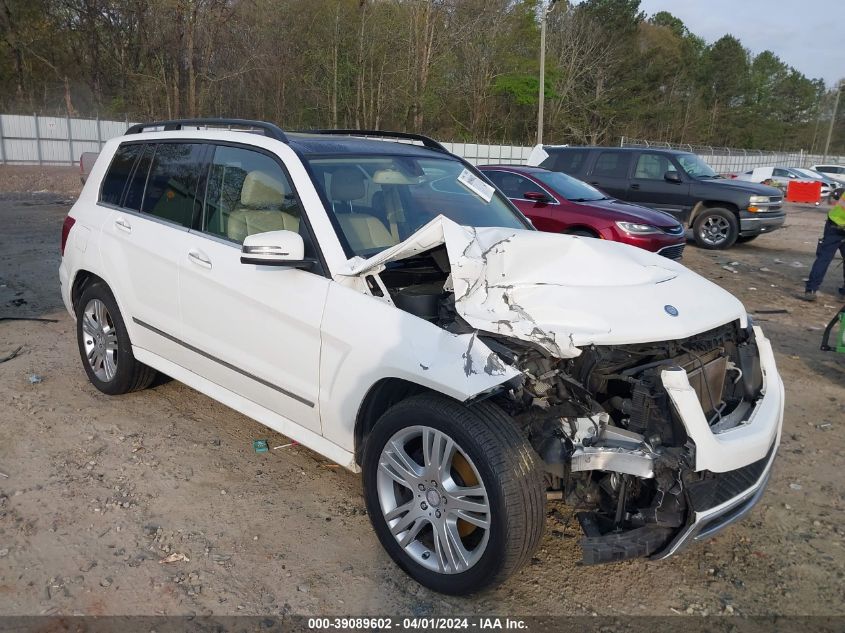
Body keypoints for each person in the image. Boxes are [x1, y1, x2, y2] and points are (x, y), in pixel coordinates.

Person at [801, 189, 845, 301]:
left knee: (824, 259)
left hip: (834, 225)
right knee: (824, 259)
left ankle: (811, 290)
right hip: (837, 226)